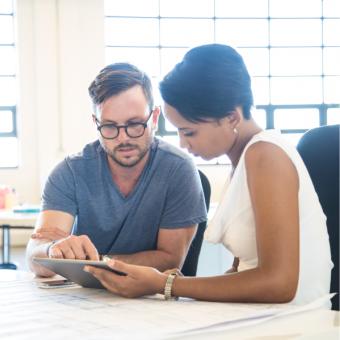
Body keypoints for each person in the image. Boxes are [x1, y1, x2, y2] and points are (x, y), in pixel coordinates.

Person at [84, 44, 333, 306]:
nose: (182, 143)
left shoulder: (266, 156)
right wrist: (177, 286)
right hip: (261, 317)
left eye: (189, 132)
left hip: (295, 324)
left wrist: (165, 283)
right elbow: (243, 275)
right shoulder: (245, 160)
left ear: (231, 118)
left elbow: (279, 284)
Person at [26, 62, 207, 277]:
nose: (124, 138)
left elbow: (169, 259)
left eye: (135, 124)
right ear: (96, 123)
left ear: (155, 118)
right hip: (86, 299)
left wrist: (91, 262)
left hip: (151, 298)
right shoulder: (69, 173)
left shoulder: (178, 169)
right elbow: (36, 257)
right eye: (110, 126)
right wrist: (51, 250)